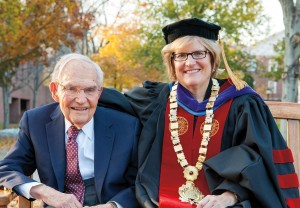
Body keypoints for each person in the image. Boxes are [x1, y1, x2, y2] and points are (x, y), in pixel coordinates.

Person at [99, 18, 300, 207]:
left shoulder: (241, 103)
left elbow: (257, 162)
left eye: (198, 53)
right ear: (172, 62)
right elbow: (100, 96)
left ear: (213, 57)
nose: (190, 62)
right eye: (181, 55)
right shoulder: (156, 100)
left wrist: (229, 196)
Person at [0, 53, 141, 208]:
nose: (81, 99)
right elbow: (7, 168)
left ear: (99, 93)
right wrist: (45, 192)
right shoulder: (35, 122)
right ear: (55, 91)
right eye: (71, 89)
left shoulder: (126, 126)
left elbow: (140, 183)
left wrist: (114, 206)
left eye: (89, 90)